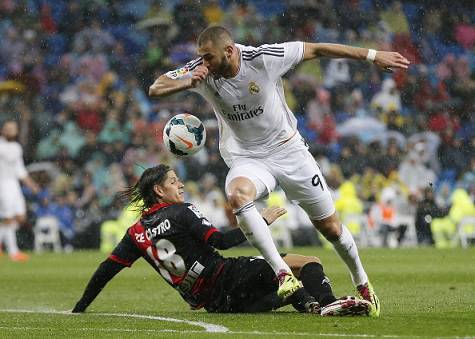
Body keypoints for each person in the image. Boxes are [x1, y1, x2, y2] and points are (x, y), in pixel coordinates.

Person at [149, 26, 410, 317]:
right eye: (201, 59)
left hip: (289, 152)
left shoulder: (262, 58)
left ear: (230, 51)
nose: (204, 64)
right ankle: (283, 274)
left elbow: (317, 49)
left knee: (331, 228)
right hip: (248, 157)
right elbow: (156, 87)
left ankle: (363, 284)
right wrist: (187, 81)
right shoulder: (201, 70)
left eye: (209, 58)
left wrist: (373, 55)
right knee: (237, 195)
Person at [72, 165, 371, 316]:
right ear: (160, 191)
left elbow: (106, 270)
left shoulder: (136, 232)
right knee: (308, 263)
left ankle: (309, 303)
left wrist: (81, 307)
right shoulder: (180, 211)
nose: (181, 185)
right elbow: (222, 242)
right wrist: (259, 221)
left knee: (288, 282)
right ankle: (331, 304)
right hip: (227, 278)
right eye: (174, 181)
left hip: (217, 304)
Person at [0, 120, 40, 261]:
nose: (11, 131)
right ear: (2, 131)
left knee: (21, 217)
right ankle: (13, 252)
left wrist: (32, 184)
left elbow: (20, 170)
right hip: (3, 185)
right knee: (8, 218)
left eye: (13, 129)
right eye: (8, 128)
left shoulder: (17, 147)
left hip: (15, 186)